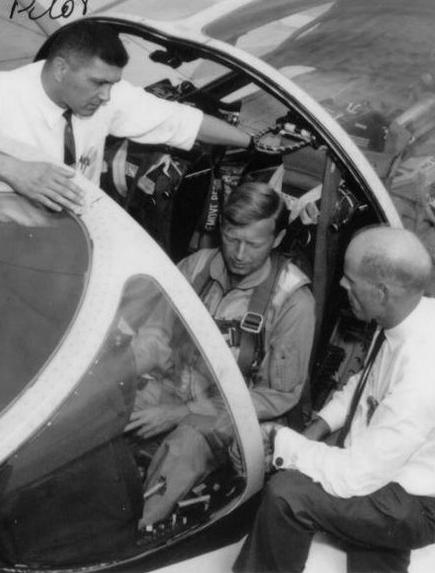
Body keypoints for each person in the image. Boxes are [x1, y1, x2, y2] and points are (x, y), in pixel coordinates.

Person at [233, 226, 435, 573]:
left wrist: (280, 441)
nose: (342, 287)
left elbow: (354, 476)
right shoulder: (411, 314)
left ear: (382, 292)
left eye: (350, 280)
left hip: (412, 503)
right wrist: (318, 427)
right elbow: (365, 384)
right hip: (389, 467)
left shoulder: (427, 371)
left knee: (287, 494)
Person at [0, 19, 257, 217]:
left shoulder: (106, 95)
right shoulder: (0, 92)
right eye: (98, 83)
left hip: (75, 232)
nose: (106, 96)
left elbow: (181, 121)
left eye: (113, 84)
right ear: (61, 68)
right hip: (3, 241)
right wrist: (16, 171)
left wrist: (254, 143)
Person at [127, 181, 316, 528]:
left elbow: (278, 395)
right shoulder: (197, 267)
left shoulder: (292, 301)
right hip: (176, 383)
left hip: (232, 413)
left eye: (254, 244)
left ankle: (134, 532)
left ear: (275, 240)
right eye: (232, 239)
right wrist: (124, 371)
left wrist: (181, 412)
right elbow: (156, 333)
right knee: (110, 404)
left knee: (185, 445)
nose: (239, 254)